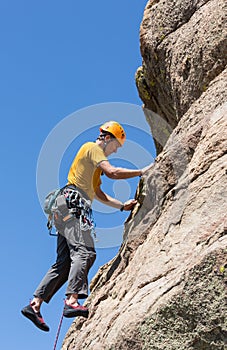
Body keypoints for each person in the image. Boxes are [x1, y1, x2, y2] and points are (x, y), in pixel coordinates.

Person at [21, 121, 152, 332]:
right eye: (116, 145)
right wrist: (142, 171)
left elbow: (98, 193)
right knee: (85, 252)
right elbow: (113, 172)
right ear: (107, 138)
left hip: (63, 207)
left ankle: (34, 305)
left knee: (64, 264)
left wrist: (121, 206)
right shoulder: (92, 149)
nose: (116, 150)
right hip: (73, 205)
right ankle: (72, 301)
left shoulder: (93, 165)